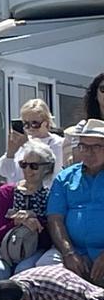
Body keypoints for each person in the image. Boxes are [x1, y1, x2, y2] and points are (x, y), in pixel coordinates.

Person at [0, 139, 58, 284]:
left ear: (47, 168)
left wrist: (36, 222)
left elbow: (49, 239)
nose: (27, 170)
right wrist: (16, 222)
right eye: (24, 165)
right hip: (6, 247)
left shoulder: (52, 195)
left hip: (35, 250)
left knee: (24, 272)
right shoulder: (7, 192)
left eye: (34, 166)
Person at [46, 119, 104, 286]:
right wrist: (68, 252)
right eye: (83, 146)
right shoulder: (65, 177)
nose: (88, 152)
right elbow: (55, 219)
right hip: (71, 251)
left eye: (96, 147)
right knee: (43, 275)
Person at [0, 99, 63, 186]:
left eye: (35, 123)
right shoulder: (22, 142)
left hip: (43, 196)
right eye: (26, 124)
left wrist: (27, 144)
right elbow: (5, 172)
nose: (30, 128)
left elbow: (53, 174)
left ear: (46, 122)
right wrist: (10, 152)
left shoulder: (57, 143)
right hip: (17, 194)